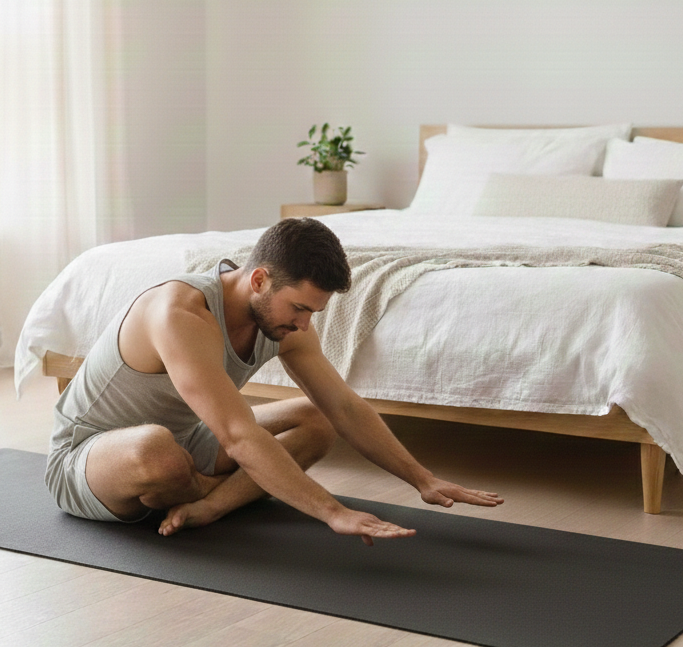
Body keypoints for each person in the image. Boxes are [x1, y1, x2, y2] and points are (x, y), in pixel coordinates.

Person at [46, 218, 500, 544]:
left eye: (313, 312)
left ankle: (210, 505)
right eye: (299, 308)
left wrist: (421, 479)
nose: (304, 324)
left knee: (317, 418)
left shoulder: (284, 324)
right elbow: (239, 434)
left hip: (189, 438)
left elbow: (344, 407)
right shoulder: (180, 314)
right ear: (259, 279)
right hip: (87, 458)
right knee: (155, 451)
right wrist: (332, 512)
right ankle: (207, 487)